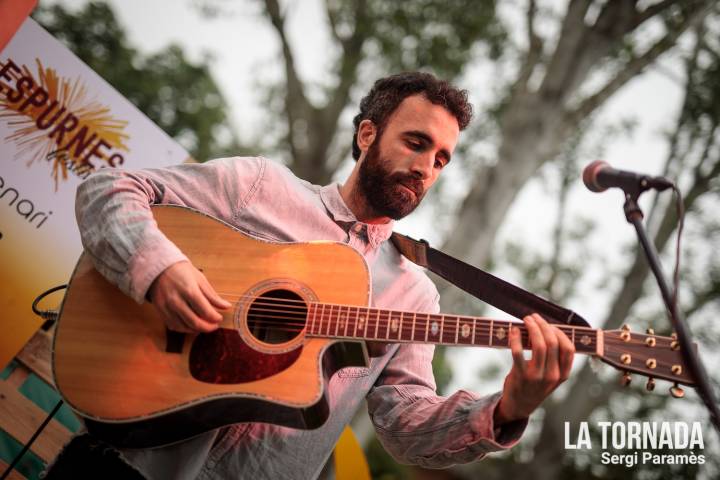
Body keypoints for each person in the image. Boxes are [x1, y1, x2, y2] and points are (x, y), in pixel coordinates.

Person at [51, 72, 575, 479]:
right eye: (416, 143)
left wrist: (508, 407)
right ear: (368, 133)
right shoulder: (260, 187)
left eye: (441, 160)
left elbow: (403, 426)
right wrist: (161, 270)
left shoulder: (414, 294)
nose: (426, 168)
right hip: (121, 461)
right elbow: (108, 191)